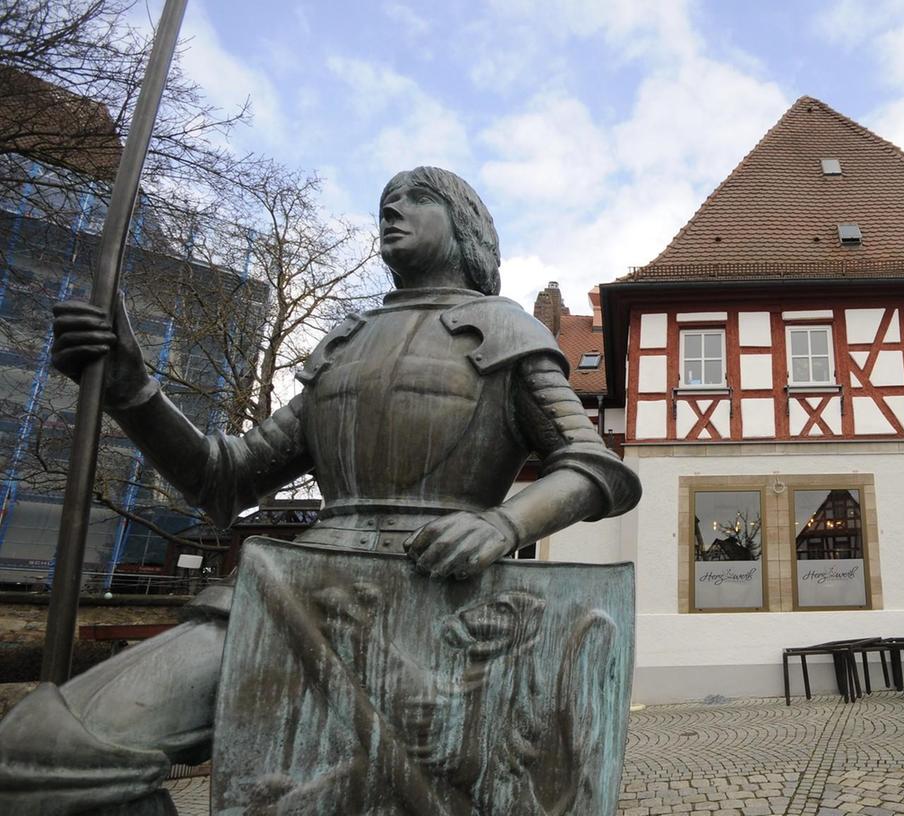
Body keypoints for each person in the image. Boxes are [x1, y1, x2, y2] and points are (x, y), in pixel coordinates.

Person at [0, 167, 642, 815]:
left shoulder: (505, 330)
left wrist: (503, 526)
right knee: (40, 754)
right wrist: (133, 391)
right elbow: (222, 478)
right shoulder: (347, 343)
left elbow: (592, 465)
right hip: (294, 590)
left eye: (417, 199)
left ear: (466, 225)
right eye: (384, 201)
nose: (392, 209)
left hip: (442, 602)